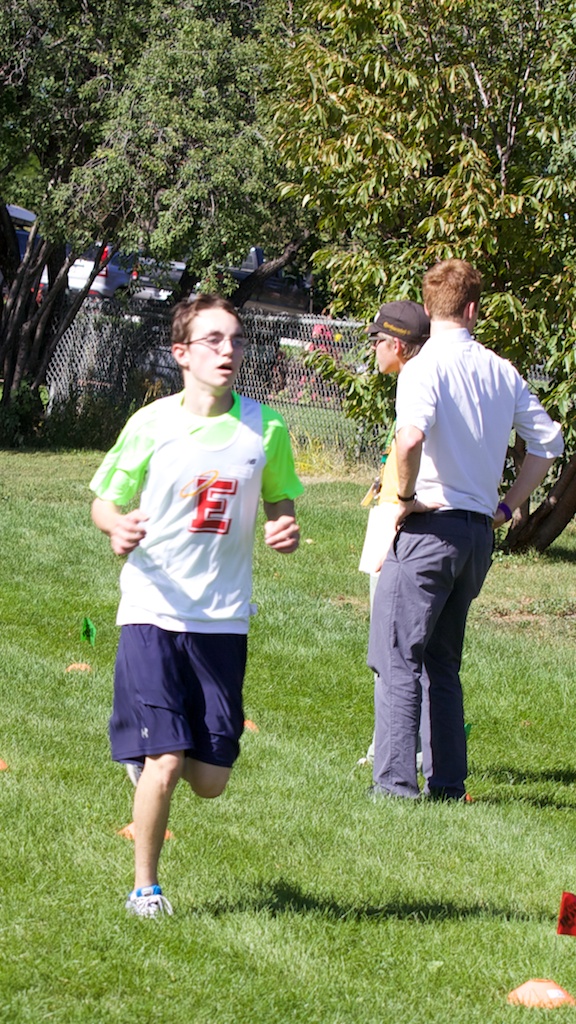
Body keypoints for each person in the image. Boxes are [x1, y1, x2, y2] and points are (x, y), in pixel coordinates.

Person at [90, 293, 302, 916]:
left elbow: (280, 500)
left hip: (223, 618)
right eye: (213, 340)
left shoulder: (266, 428)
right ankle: (145, 890)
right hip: (152, 609)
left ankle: (155, 749)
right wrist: (116, 526)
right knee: (166, 759)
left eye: (235, 339)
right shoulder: (151, 424)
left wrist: (283, 525)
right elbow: (105, 499)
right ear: (181, 353)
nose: (227, 350)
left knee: (209, 781)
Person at [368, 260, 564, 801]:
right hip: (477, 535)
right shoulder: (502, 371)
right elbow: (549, 443)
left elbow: (410, 439)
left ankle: (394, 785)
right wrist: (507, 506)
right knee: (443, 663)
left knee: (396, 656)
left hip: (429, 528)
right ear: (473, 308)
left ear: (428, 306)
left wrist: (404, 499)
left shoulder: (423, 367)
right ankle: (448, 784)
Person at [357, 301, 430, 767]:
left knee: (394, 645)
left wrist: (401, 501)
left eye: (378, 341)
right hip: (388, 514)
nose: (374, 350)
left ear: (398, 346)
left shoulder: (418, 382)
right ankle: (398, 744)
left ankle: (396, 749)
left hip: (400, 522)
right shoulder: (415, 382)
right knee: (394, 643)